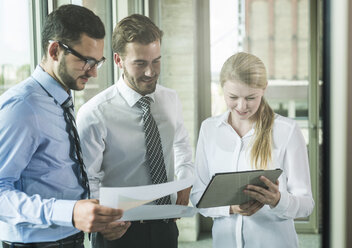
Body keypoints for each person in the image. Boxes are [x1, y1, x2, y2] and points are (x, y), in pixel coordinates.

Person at [0, 4, 130, 247]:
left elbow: (59, 176)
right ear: (55, 50)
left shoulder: (61, 99)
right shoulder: (22, 107)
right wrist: (68, 212)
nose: (93, 73)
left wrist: (97, 219)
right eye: (86, 61)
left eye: (97, 62)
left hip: (71, 239)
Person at [76, 14, 194, 248]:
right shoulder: (95, 113)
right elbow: (88, 178)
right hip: (118, 231)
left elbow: (181, 145)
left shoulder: (170, 99)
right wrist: (103, 221)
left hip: (165, 225)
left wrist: (185, 178)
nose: (151, 72)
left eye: (156, 61)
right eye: (140, 63)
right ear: (118, 60)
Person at [190, 52, 314, 248]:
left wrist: (278, 200)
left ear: (264, 89)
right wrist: (230, 208)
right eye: (233, 97)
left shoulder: (287, 131)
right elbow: (198, 195)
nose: (241, 106)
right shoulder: (209, 129)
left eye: (250, 97)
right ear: (222, 89)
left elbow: (306, 204)